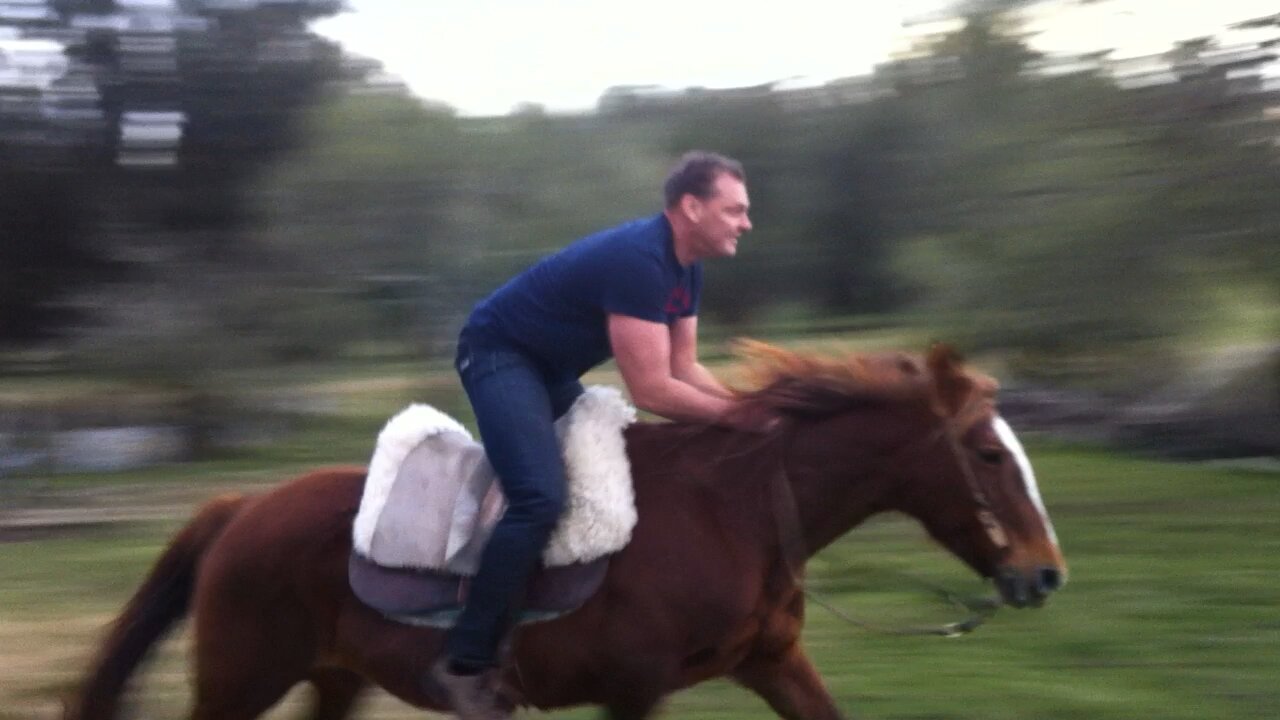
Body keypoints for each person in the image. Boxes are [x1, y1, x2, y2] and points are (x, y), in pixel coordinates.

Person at [431, 150, 779, 720]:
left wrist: (748, 411)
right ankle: (464, 663)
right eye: (735, 210)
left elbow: (686, 368)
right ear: (692, 208)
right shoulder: (641, 261)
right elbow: (654, 391)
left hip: (550, 370)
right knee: (539, 497)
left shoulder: (685, 266)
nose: (746, 223)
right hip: (499, 355)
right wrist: (743, 421)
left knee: (631, 460)